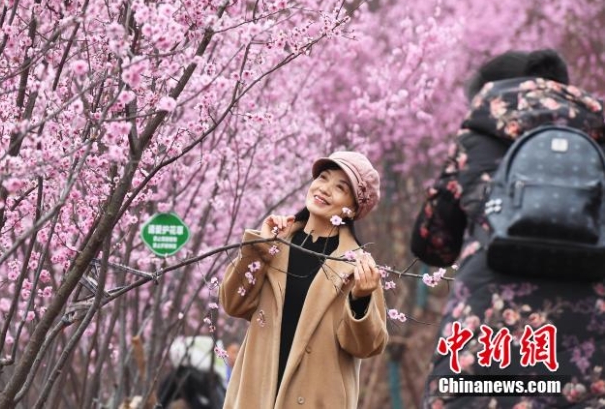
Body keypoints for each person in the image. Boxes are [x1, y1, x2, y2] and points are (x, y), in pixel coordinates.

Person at [411, 49, 605, 407]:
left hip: (487, 344)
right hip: (586, 347)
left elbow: (433, 242)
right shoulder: (596, 136)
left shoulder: (477, 135)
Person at [220, 151, 388, 408]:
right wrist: (260, 247)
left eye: (340, 187)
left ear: (353, 209)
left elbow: (365, 347)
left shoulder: (357, 267)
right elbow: (233, 303)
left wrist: (360, 300)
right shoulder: (276, 243)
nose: (325, 188)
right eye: (323, 177)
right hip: (255, 397)